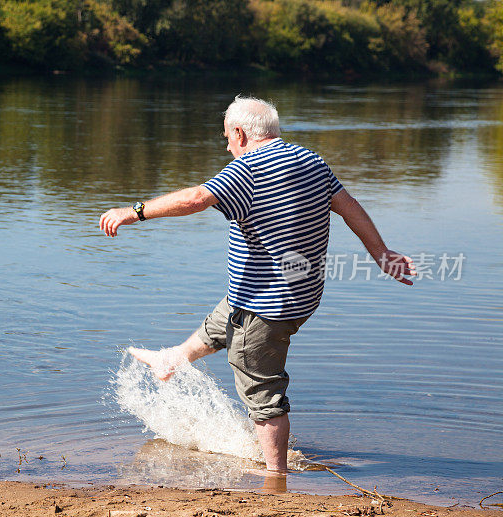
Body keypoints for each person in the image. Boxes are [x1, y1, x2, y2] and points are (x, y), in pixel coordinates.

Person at [99, 96, 415, 475]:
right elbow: (350, 207)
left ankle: (276, 476)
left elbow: (195, 198)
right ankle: (172, 360)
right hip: (300, 295)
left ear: (240, 133)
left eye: (227, 137)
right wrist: (382, 254)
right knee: (226, 319)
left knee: (261, 388)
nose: (227, 145)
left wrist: (132, 212)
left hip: (267, 305)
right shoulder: (310, 161)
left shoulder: (247, 170)